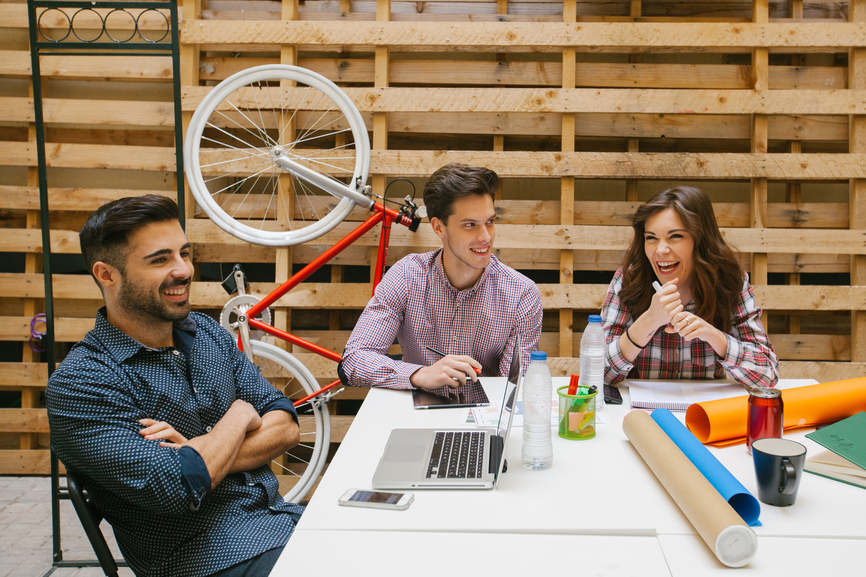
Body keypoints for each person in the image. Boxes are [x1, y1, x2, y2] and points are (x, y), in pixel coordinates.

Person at [46, 195, 304, 577]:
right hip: (204, 558)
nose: (184, 270)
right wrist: (238, 416)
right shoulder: (83, 383)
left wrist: (199, 452)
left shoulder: (209, 336)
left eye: (184, 253)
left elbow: (286, 424)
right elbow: (180, 486)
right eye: (160, 259)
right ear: (107, 274)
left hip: (283, 522)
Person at [340, 163, 542, 395]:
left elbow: (515, 390)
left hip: (482, 421)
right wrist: (419, 375)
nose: (486, 237)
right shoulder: (406, 276)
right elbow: (354, 361)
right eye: (470, 225)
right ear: (438, 227)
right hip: (415, 414)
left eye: (490, 221)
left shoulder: (521, 294)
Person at [601, 186, 779, 388]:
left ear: (700, 239)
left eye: (675, 236)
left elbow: (768, 374)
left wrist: (715, 336)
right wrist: (649, 321)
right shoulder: (629, 279)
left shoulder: (730, 282)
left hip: (706, 412)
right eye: (651, 237)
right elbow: (596, 374)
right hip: (639, 413)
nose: (660, 250)